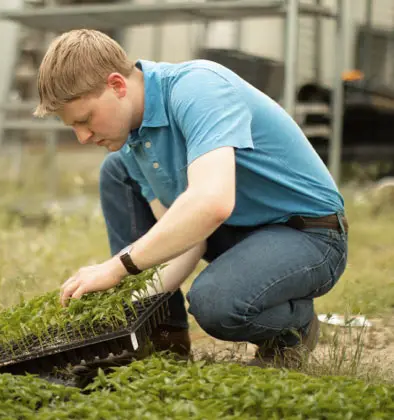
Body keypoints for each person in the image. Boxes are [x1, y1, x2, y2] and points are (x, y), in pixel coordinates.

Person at [34, 29, 348, 368]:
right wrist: (123, 305)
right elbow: (185, 241)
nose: (82, 137)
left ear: (117, 85)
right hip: (233, 230)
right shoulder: (133, 141)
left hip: (309, 234)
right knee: (116, 170)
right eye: (73, 127)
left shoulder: (198, 87)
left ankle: (294, 329)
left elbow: (211, 203)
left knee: (216, 304)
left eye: (85, 120)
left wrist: (117, 267)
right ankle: (161, 338)